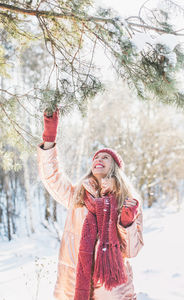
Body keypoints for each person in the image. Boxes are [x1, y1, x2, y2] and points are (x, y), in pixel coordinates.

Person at [37, 109, 144, 300]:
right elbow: (51, 177)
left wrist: (126, 223)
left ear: (116, 167)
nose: (98, 160)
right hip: (74, 283)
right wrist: (49, 138)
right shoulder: (77, 196)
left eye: (105, 158)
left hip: (112, 289)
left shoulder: (128, 200)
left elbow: (131, 251)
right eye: (95, 158)